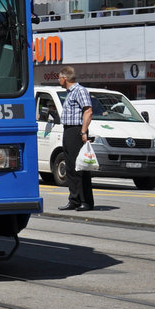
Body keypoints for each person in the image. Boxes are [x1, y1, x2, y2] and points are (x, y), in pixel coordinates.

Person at [57, 67, 95, 211]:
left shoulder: (80, 91)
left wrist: (83, 132)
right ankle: (74, 200)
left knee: (80, 167)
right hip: (68, 130)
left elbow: (88, 111)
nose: (58, 80)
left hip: (77, 130)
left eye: (59, 77)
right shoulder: (69, 93)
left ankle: (86, 201)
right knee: (70, 167)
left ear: (64, 78)